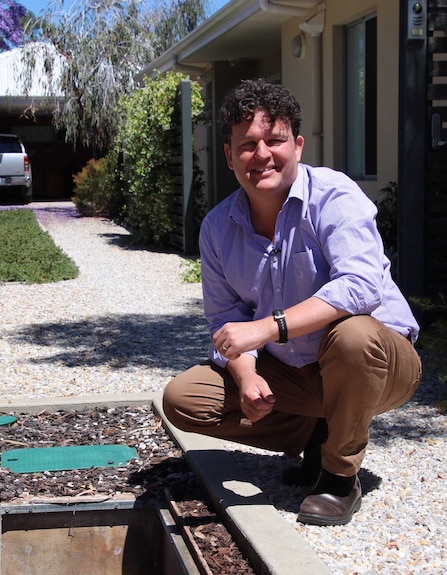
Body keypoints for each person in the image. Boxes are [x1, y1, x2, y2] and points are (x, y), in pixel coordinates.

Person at [162, 78, 422, 526]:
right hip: (299, 373)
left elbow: (361, 285)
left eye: (275, 140)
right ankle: (319, 430)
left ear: (298, 145)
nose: (261, 154)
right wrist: (245, 376)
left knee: (353, 333)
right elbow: (226, 321)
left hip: (380, 364)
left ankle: (340, 476)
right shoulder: (217, 227)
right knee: (183, 400)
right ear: (229, 156)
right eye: (246, 144)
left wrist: (267, 328)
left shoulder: (334, 196)